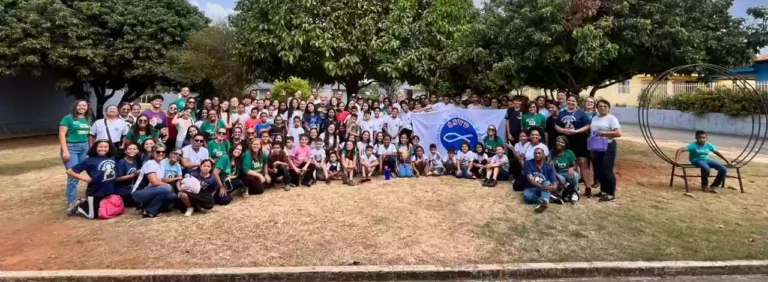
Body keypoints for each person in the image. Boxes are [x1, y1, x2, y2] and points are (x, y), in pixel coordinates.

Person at [65, 140, 117, 219]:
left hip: (108, 190)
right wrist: (85, 179)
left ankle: (87, 203)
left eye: (106, 147)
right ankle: (80, 204)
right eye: (100, 147)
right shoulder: (89, 160)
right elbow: (70, 171)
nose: (103, 149)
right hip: (95, 191)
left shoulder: (112, 157)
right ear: (95, 148)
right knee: (92, 216)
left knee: (105, 210)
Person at [555, 95, 593, 194]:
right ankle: (573, 186)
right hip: (567, 140)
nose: (571, 102)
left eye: (573, 101)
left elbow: (587, 126)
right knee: (571, 163)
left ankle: (588, 187)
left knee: (583, 163)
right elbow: (556, 125)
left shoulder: (581, 113)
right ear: (567, 101)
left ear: (576, 103)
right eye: (569, 100)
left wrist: (576, 131)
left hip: (579, 139)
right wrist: (563, 130)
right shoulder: (562, 113)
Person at [59, 100, 93, 205]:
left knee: (91, 170)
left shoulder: (87, 119)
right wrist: (65, 150)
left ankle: (94, 194)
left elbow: (88, 136)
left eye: (84, 105)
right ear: (75, 106)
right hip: (71, 147)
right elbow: (61, 135)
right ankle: (71, 201)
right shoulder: (67, 118)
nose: (82, 107)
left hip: (84, 147)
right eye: (79, 105)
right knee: (73, 174)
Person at [132, 143, 177, 218]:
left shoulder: (161, 163)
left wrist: (176, 179)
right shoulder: (150, 164)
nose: (161, 153)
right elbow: (154, 182)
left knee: (172, 196)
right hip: (139, 192)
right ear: (153, 153)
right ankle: (151, 210)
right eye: (158, 152)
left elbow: (161, 179)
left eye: (163, 152)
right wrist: (167, 185)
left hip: (152, 190)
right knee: (165, 189)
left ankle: (145, 206)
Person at [590, 99, 622, 201]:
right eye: (600, 106)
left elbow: (618, 133)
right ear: (597, 108)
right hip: (597, 147)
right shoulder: (595, 118)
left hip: (608, 146)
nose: (602, 108)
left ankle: (610, 193)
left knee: (607, 170)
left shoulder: (611, 119)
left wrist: (603, 133)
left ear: (608, 108)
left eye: (605, 106)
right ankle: (603, 191)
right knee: (599, 170)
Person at [523, 148, 559, 213]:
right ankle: (549, 198)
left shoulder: (549, 166)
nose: (537, 155)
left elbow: (554, 182)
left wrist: (553, 188)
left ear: (543, 155)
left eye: (539, 153)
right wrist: (541, 187)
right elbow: (531, 180)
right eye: (535, 153)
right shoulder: (528, 163)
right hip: (531, 187)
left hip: (545, 186)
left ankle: (542, 202)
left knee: (547, 182)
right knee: (527, 197)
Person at [551, 136, 579, 200]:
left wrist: (571, 168)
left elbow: (575, 165)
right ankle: (562, 192)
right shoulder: (552, 153)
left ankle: (574, 191)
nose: (559, 143)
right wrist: (557, 176)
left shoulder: (569, 152)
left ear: (565, 144)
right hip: (559, 173)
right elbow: (552, 168)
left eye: (562, 142)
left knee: (574, 175)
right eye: (558, 141)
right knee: (558, 179)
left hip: (568, 172)